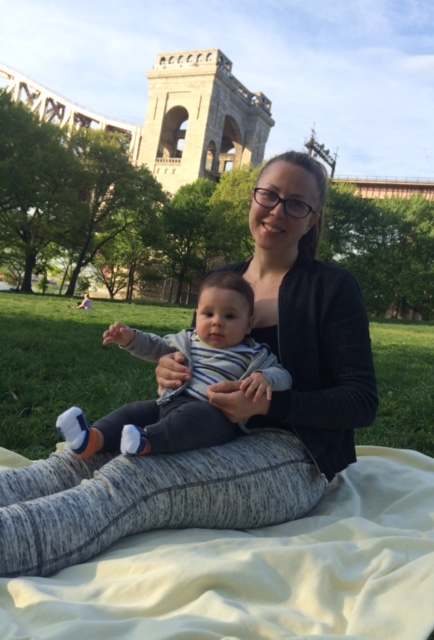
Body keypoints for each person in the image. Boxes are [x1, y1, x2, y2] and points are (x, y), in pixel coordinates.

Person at [0, 150, 378, 578]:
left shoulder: (331, 287)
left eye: (296, 203)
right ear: (253, 199)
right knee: (75, 460)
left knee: (135, 477)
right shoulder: (224, 280)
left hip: (291, 454)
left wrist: (270, 405)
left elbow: (361, 401)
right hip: (196, 424)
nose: (277, 211)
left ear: (312, 219)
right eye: (269, 196)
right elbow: (190, 351)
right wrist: (168, 370)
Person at [56, 272, 292, 458]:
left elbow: (282, 374)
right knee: (133, 411)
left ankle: (148, 441)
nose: (217, 323)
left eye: (229, 317)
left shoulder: (254, 352)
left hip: (214, 416)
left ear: (249, 324)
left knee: (192, 418)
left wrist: (265, 377)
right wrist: (130, 339)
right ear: (196, 314)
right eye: (208, 314)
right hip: (169, 402)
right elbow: (157, 347)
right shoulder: (188, 341)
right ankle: (92, 439)